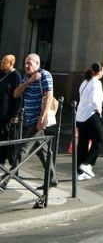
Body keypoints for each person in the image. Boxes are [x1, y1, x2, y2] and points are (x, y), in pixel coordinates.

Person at [13, 53, 57, 188]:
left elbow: (49, 96)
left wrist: (42, 118)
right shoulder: (27, 77)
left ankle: (6, 179)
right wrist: (29, 80)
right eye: (25, 63)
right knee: (42, 151)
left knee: (23, 150)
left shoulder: (45, 75)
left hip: (37, 120)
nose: (26, 65)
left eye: (30, 63)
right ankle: (52, 179)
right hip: (28, 119)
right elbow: (16, 94)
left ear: (37, 64)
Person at [75, 62, 103, 180]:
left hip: (80, 117)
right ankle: (87, 164)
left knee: (83, 143)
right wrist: (99, 111)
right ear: (100, 71)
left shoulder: (85, 82)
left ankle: (79, 173)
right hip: (90, 115)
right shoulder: (96, 83)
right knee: (99, 140)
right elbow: (95, 100)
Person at [0, 54, 21, 177]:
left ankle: (2, 163)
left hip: (6, 113)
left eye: (4, 62)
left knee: (3, 137)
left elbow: (17, 97)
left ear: (11, 63)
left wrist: (15, 114)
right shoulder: (1, 73)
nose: (1, 64)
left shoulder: (16, 76)